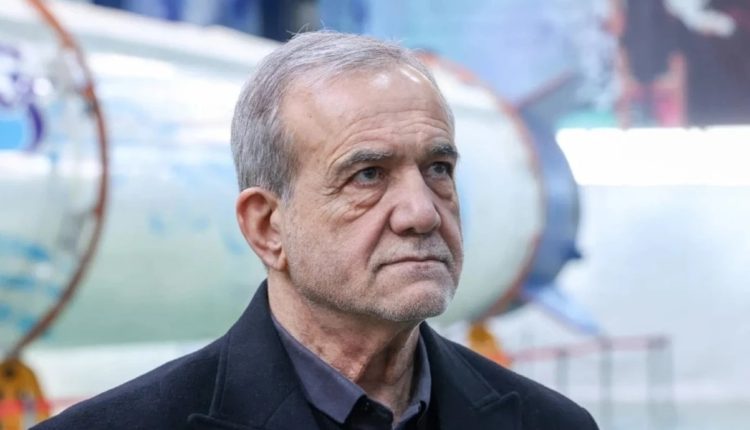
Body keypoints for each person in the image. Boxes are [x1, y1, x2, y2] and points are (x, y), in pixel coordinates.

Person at [33, 31, 598, 430]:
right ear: (267, 227)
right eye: (368, 175)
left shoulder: (552, 423)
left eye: (438, 169)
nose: (422, 213)